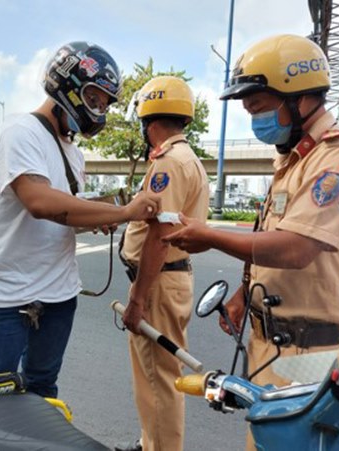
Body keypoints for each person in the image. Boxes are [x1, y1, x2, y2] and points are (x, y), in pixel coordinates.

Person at [162, 34, 339, 448]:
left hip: (316, 353)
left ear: (300, 99)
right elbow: (273, 238)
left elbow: (297, 247)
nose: (253, 119)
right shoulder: (292, 159)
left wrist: (209, 234)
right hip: (271, 347)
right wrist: (246, 293)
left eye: (259, 107)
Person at [0, 41, 161, 399]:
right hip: (7, 296)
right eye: (94, 97)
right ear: (66, 83)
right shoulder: (19, 131)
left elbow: (66, 211)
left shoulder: (74, 153)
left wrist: (99, 213)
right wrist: (123, 212)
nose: (99, 109)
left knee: (41, 390)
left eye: (104, 103)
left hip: (58, 296)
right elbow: (39, 202)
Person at [116, 76, 209, 451]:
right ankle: (148, 443)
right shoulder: (189, 159)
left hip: (156, 284)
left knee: (159, 383)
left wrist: (138, 299)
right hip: (169, 279)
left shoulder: (168, 163)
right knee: (157, 377)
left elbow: (159, 235)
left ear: (148, 122)